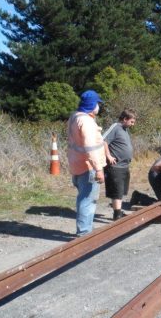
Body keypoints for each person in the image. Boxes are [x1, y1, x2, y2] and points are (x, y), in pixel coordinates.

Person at [67, 90, 106, 236]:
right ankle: (84, 234)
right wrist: (99, 169)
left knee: (83, 199)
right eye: (98, 103)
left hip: (76, 165)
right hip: (88, 167)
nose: (99, 107)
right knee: (87, 201)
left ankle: (85, 230)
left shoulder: (74, 117)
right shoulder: (86, 121)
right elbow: (90, 148)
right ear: (92, 105)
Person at [103, 109, 136, 221]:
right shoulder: (115, 127)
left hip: (124, 165)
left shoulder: (125, 130)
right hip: (115, 166)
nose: (133, 124)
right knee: (117, 191)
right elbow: (103, 141)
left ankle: (119, 211)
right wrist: (108, 156)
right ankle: (117, 215)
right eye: (131, 121)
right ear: (125, 119)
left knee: (121, 190)